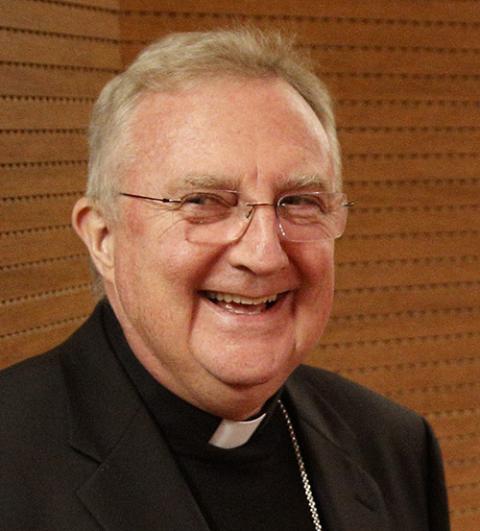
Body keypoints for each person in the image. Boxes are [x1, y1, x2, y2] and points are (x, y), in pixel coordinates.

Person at [0, 28, 450, 531]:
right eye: (203, 202)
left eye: (299, 202)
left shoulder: (392, 446)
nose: (264, 254)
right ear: (104, 238)